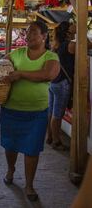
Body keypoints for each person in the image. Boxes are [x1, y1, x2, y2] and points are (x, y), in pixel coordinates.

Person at [0, 21, 60, 201]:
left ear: (44, 36)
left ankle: (29, 185)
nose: (28, 36)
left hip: (36, 113)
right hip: (11, 110)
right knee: (10, 146)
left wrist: (20, 74)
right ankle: (11, 169)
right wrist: (0, 66)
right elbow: (2, 63)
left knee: (32, 150)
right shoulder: (16, 54)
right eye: (27, 32)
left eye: (33, 32)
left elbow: (47, 75)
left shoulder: (51, 57)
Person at [47, 21, 74, 150]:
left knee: (51, 111)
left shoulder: (56, 45)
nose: (74, 25)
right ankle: (57, 142)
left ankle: (50, 137)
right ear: (68, 31)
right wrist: (80, 32)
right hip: (62, 83)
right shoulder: (70, 45)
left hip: (54, 82)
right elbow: (88, 44)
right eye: (72, 25)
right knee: (57, 114)